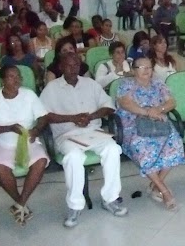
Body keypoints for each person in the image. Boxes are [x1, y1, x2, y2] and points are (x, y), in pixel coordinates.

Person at [41, 53, 126, 228]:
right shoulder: (52, 88)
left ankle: (110, 199)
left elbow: (108, 105)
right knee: (73, 157)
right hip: (67, 134)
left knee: (112, 149)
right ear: (61, 67)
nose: (73, 69)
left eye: (76, 65)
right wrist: (73, 118)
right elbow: (44, 115)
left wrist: (92, 116)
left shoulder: (90, 84)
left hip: (93, 131)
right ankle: (74, 206)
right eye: (69, 65)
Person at [0, 66, 49, 226]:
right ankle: (21, 203)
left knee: (41, 161)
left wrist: (36, 130)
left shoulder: (29, 95)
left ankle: (20, 203)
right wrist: (8, 128)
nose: (16, 80)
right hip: (2, 143)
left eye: (18, 76)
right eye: (11, 77)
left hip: (27, 141)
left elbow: (43, 117)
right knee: (0, 167)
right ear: (2, 80)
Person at [116, 57, 185, 211]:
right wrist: (147, 112)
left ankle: (155, 185)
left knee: (175, 143)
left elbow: (171, 102)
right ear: (134, 70)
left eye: (149, 67)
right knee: (143, 148)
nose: (147, 70)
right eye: (142, 67)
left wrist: (158, 110)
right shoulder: (126, 85)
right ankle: (165, 192)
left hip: (158, 123)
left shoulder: (158, 83)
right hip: (133, 125)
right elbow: (126, 103)